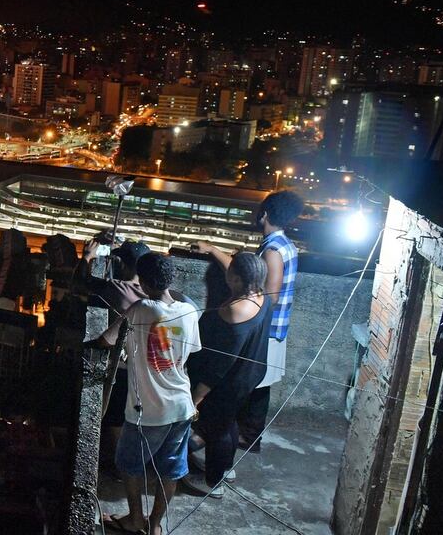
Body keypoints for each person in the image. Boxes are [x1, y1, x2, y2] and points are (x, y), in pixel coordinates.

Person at [98, 253, 201, 535]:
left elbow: (106, 340)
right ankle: (154, 525)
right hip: (182, 406)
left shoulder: (141, 308)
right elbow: (188, 351)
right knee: (170, 470)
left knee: (128, 464)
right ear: (172, 278)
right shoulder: (190, 312)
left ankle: (134, 519)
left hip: (149, 411)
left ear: (141, 282)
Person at [196, 190, 303, 451]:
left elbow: (271, 293)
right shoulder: (284, 243)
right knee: (257, 383)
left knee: (252, 385)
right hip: (274, 326)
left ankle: (246, 436)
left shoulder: (273, 249)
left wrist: (212, 249)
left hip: (267, 328)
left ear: (264, 214)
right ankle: (246, 435)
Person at [182, 252, 272, 498]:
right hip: (250, 374)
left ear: (237, 279)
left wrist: (197, 396)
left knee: (217, 429)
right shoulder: (262, 297)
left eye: (231, 272)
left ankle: (213, 482)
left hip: (227, 381)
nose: (227, 275)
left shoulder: (235, 310)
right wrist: (211, 248)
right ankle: (225, 469)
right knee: (228, 421)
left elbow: (221, 364)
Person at [83, 239, 151, 475]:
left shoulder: (117, 289)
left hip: (122, 365)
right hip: (147, 366)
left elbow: (80, 284)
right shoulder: (154, 294)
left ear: (123, 264)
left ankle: (119, 466)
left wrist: (87, 257)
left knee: (113, 418)